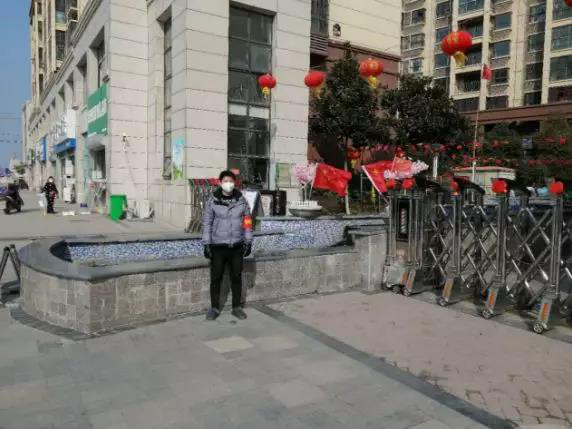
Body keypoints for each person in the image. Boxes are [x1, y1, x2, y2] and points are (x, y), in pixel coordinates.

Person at [202, 170, 253, 321]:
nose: (228, 184)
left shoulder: (241, 201)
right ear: (220, 183)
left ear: (234, 183)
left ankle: (236, 307)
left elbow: (247, 221)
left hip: (236, 246)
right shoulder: (213, 201)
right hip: (218, 246)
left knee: (236, 277)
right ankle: (214, 308)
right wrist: (206, 243)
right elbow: (207, 223)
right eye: (225, 181)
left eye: (231, 181)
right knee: (216, 278)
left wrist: (248, 240)